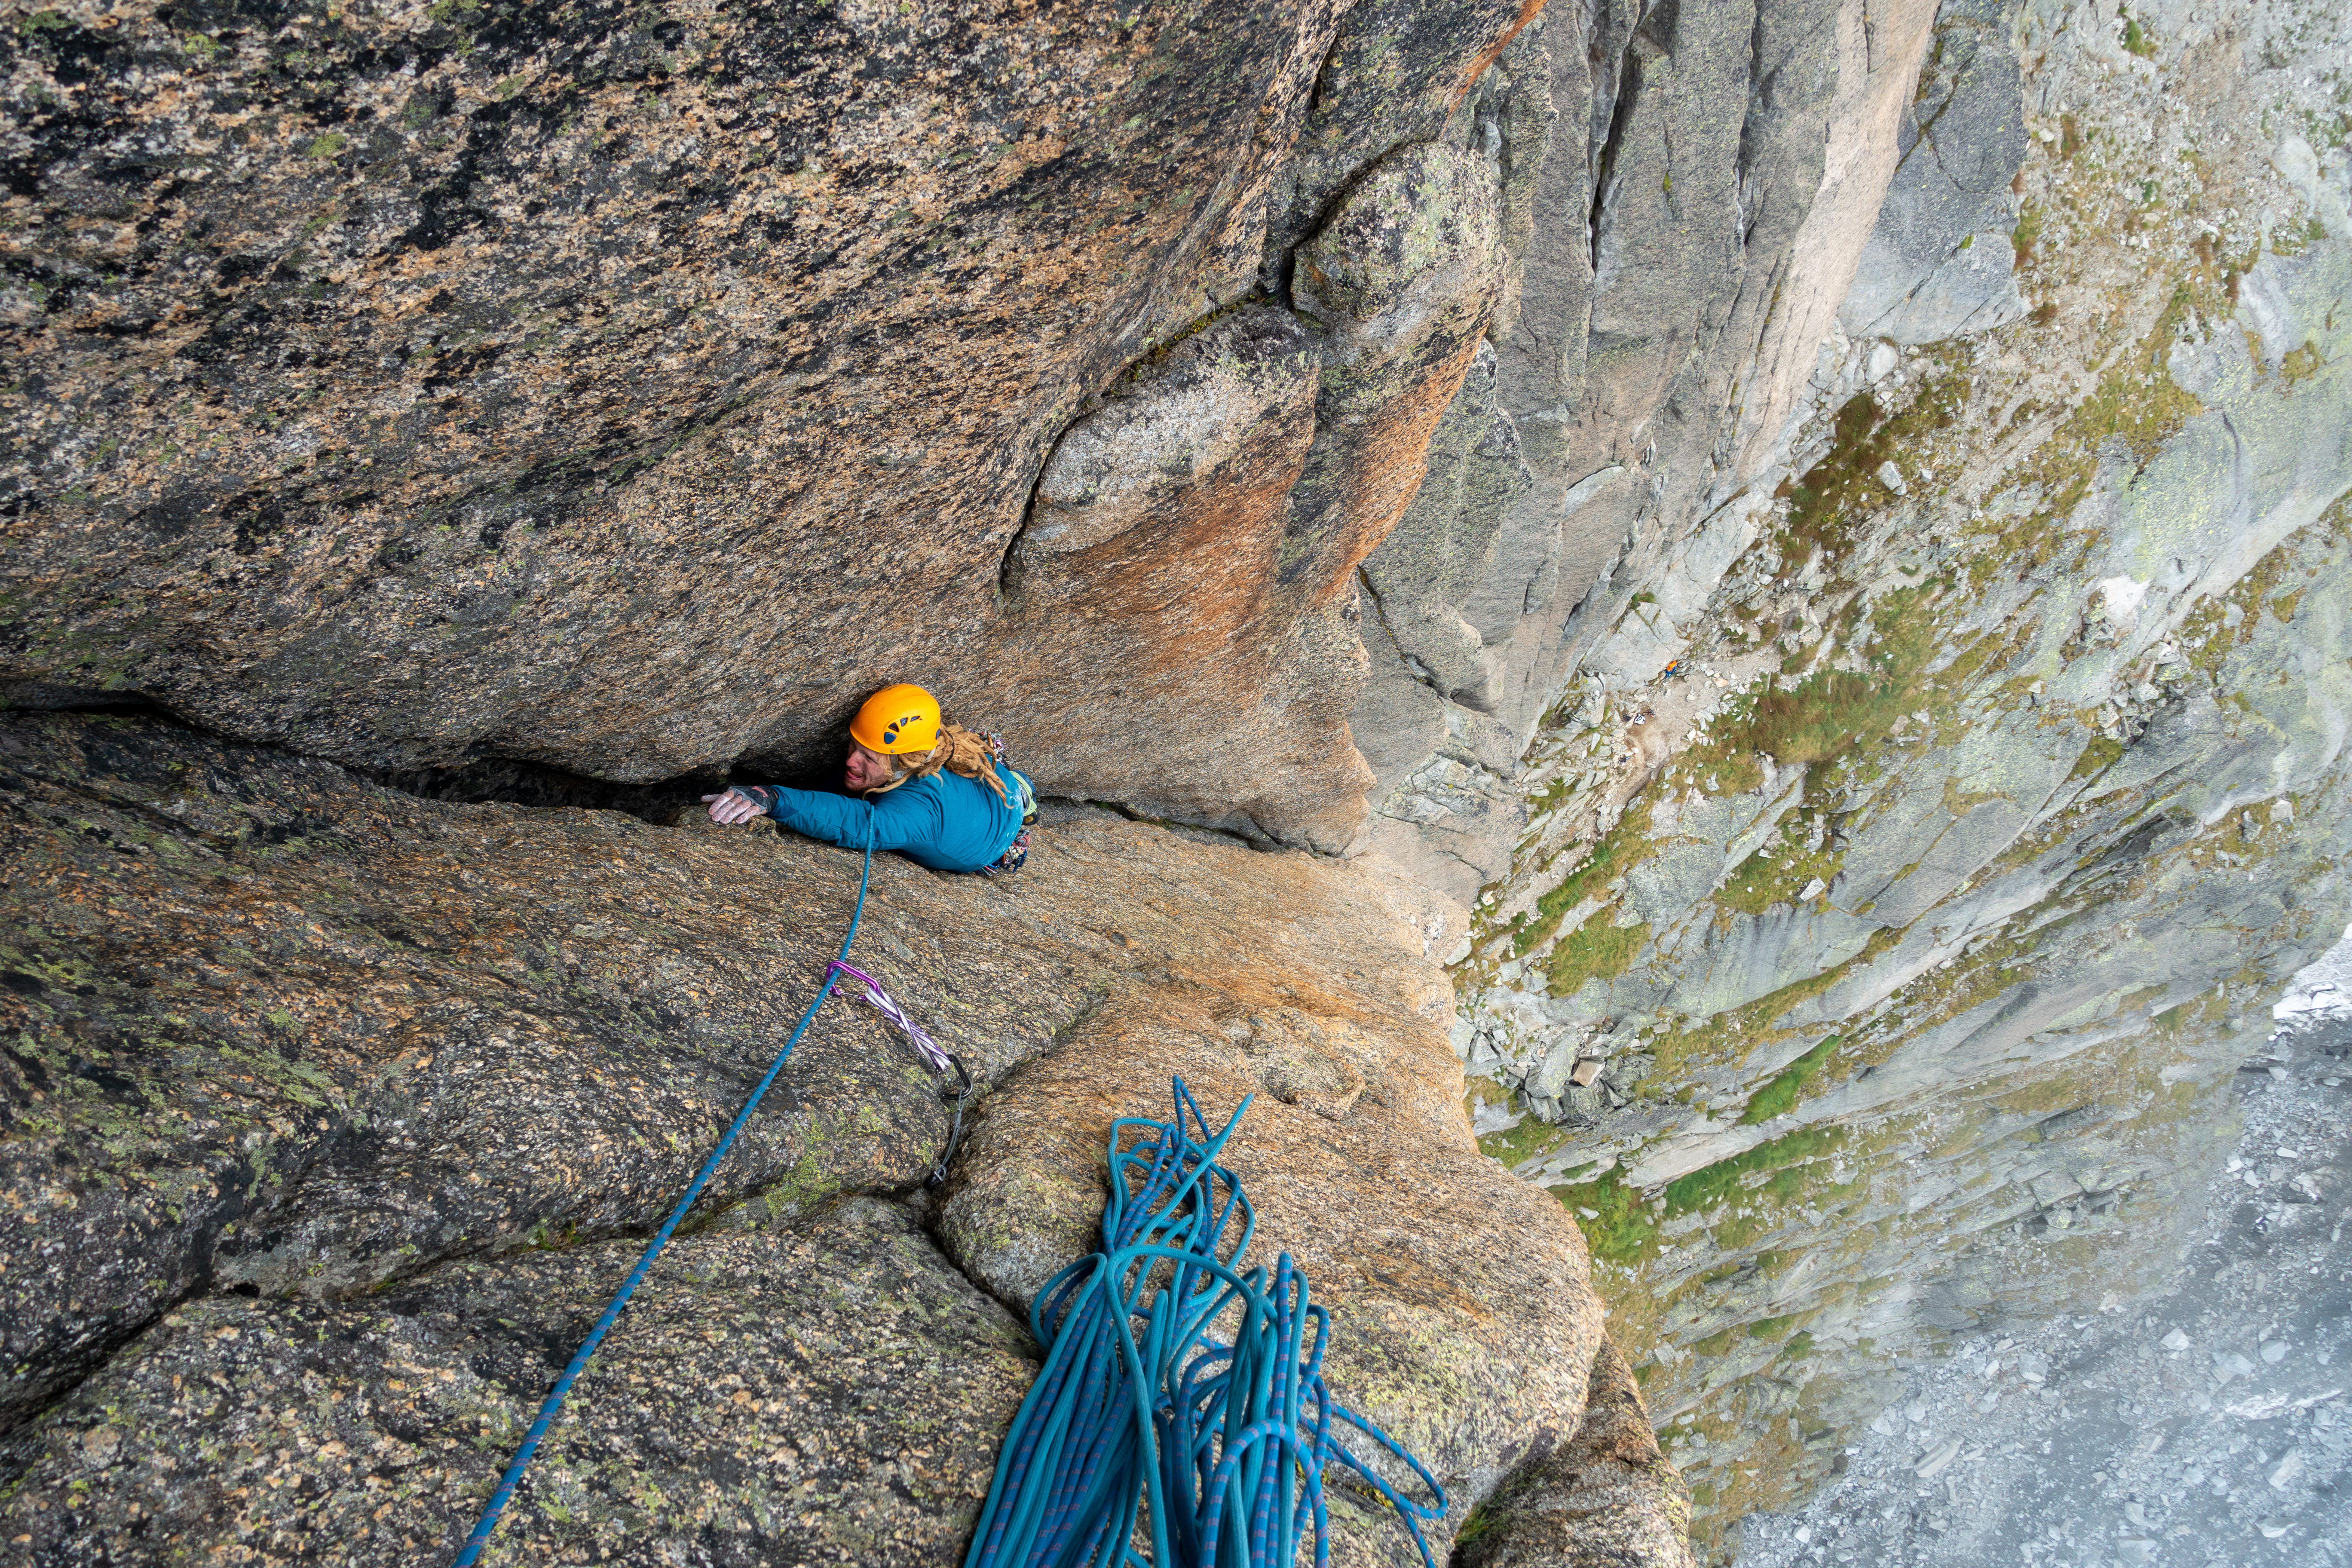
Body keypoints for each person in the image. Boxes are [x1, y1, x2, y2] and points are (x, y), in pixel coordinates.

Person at [703, 684, 1035, 875]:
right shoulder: (935, 747)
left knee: (1016, 793)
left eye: (869, 757)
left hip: (997, 838)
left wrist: (774, 799)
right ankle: (1022, 789)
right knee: (998, 768)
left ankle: (1024, 796)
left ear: (904, 764)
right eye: (854, 746)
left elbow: (859, 824)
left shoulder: (916, 815)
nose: (850, 759)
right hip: (994, 787)